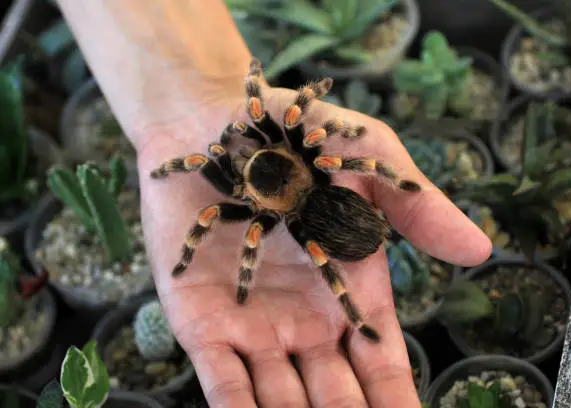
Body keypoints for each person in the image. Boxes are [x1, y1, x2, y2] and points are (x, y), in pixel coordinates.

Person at [56, 1, 492, 406]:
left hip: (320, 213)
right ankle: (354, 315)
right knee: (326, 160)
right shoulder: (305, 155)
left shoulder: (257, 204)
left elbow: (234, 216)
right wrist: (280, 92)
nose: (242, 157)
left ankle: (355, 316)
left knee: (281, 208)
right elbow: (300, 121)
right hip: (324, 202)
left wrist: (235, 272)